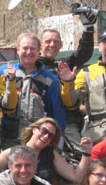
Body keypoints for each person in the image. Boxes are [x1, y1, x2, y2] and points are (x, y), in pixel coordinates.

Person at [0, 33, 74, 149]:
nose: (29, 52)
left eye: (33, 49)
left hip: (38, 140)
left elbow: (57, 111)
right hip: (8, 139)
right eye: (25, 48)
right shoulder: (3, 73)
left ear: (39, 51)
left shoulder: (49, 79)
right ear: (17, 50)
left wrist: (59, 140)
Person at [0, 117, 89, 185]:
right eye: (44, 131)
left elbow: (76, 177)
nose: (46, 136)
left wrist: (86, 153)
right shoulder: (12, 152)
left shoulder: (51, 155)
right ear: (35, 130)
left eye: (50, 136)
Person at [37, 12, 96, 143]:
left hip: (67, 122)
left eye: (56, 42)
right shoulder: (33, 66)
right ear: (40, 44)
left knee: (76, 156)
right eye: (48, 41)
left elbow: (83, 54)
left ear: (61, 45)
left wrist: (88, 27)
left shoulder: (63, 65)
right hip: (41, 122)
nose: (52, 45)